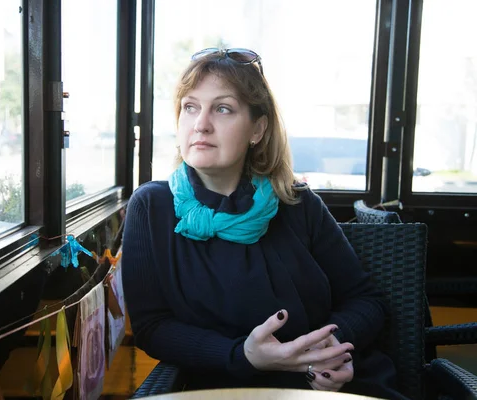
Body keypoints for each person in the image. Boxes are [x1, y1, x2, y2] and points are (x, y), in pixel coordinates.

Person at [122, 48, 405, 399]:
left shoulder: (297, 203)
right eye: (190, 107)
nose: (201, 124)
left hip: (327, 385)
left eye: (222, 108)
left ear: (257, 129)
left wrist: (330, 350)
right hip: (220, 386)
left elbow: (367, 301)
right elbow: (152, 327)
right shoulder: (151, 207)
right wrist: (241, 355)